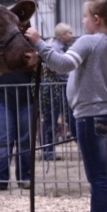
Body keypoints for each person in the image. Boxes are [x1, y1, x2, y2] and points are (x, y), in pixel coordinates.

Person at [25, 0, 107, 212]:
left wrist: (39, 43)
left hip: (89, 116)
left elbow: (63, 64)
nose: (83, 22)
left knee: (97, 177)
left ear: (96, 19)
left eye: (85, 17)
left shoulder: (90, 41)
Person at [0, 71, 35, 192]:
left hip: (27, 97)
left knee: (24, 141)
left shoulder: (31, 51)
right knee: (4, 141)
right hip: (2, 96)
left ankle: (25, 177)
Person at [39, 23, 76, 161]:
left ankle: (48, 151)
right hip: (53, 88)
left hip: (58, 86)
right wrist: (73, 75)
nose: (72, 35)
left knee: (58, 118)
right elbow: (60, 69)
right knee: (51, 119)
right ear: (63, 35)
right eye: (70, 33)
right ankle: (47, 152)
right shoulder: (55, 48)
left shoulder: (61, 48)